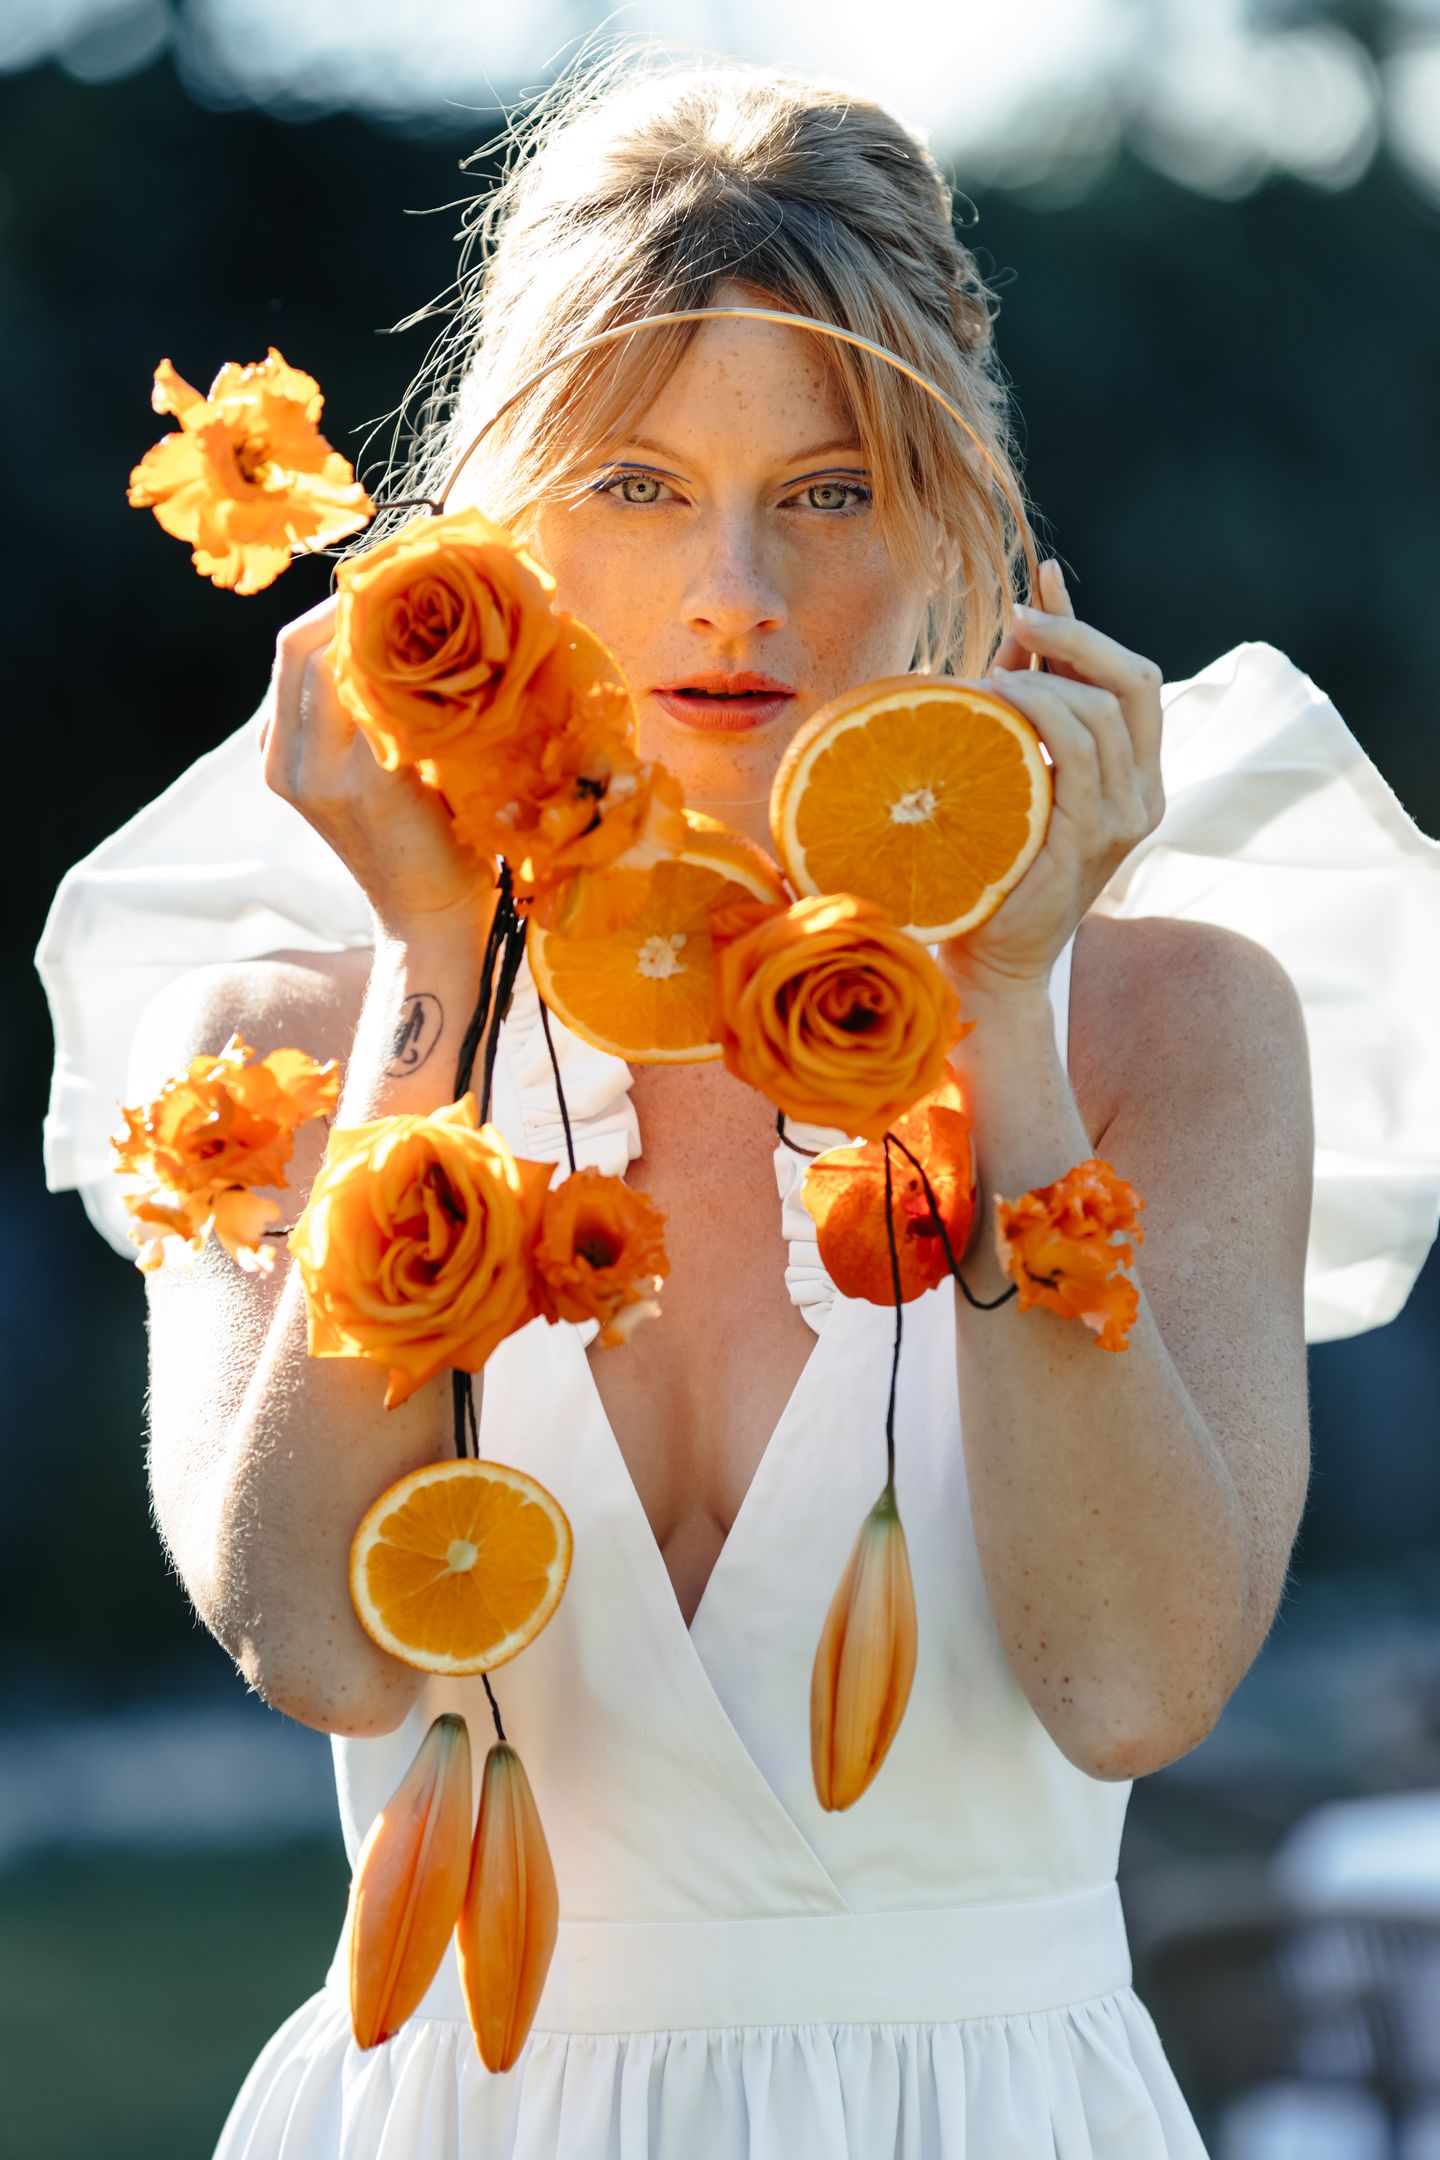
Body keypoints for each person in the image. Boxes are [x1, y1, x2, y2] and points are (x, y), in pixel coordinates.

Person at [34, 42, 1440, 2160]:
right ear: (498, 517)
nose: (735, 596)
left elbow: (1134, 1685)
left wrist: (1004, 1012)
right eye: (635, 482)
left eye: (829, 490)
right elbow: (316, 1637)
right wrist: (435, 974)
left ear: (959, 511)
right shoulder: (281, 1034)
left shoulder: (1178, 1028)